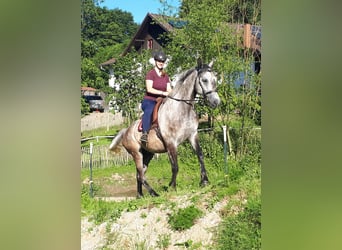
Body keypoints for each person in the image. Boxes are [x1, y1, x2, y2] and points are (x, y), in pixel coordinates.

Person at [140, 51, 172, 143]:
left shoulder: (165, 76)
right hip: (150, 100)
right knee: (149, 111)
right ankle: (145, 133)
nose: (161, 63)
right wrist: (163, 93)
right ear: (155, 61)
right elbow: (149, 89)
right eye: (159, 61)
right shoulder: (150, 74)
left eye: (163, 61)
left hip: (162, 100)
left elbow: (169, 89)